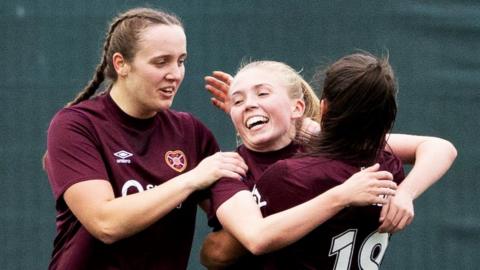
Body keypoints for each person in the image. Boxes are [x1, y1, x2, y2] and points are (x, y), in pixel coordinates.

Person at [43, 7, 249, 269]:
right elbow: (105, 223)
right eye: (161, 62)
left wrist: (251, 117)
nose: (175, 73)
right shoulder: (76, 124)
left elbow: (245, 222)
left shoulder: (191, 132)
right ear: (121, 64)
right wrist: (191, 179)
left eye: (181, 61)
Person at [200, 60, 456, 269]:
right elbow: (219, 252)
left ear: (299, 107)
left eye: (263, 93)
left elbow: (440, 148)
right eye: (237, 101)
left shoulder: (336, 149)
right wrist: (342, 195)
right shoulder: (231, 168)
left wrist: (405, 193)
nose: (250, 104)